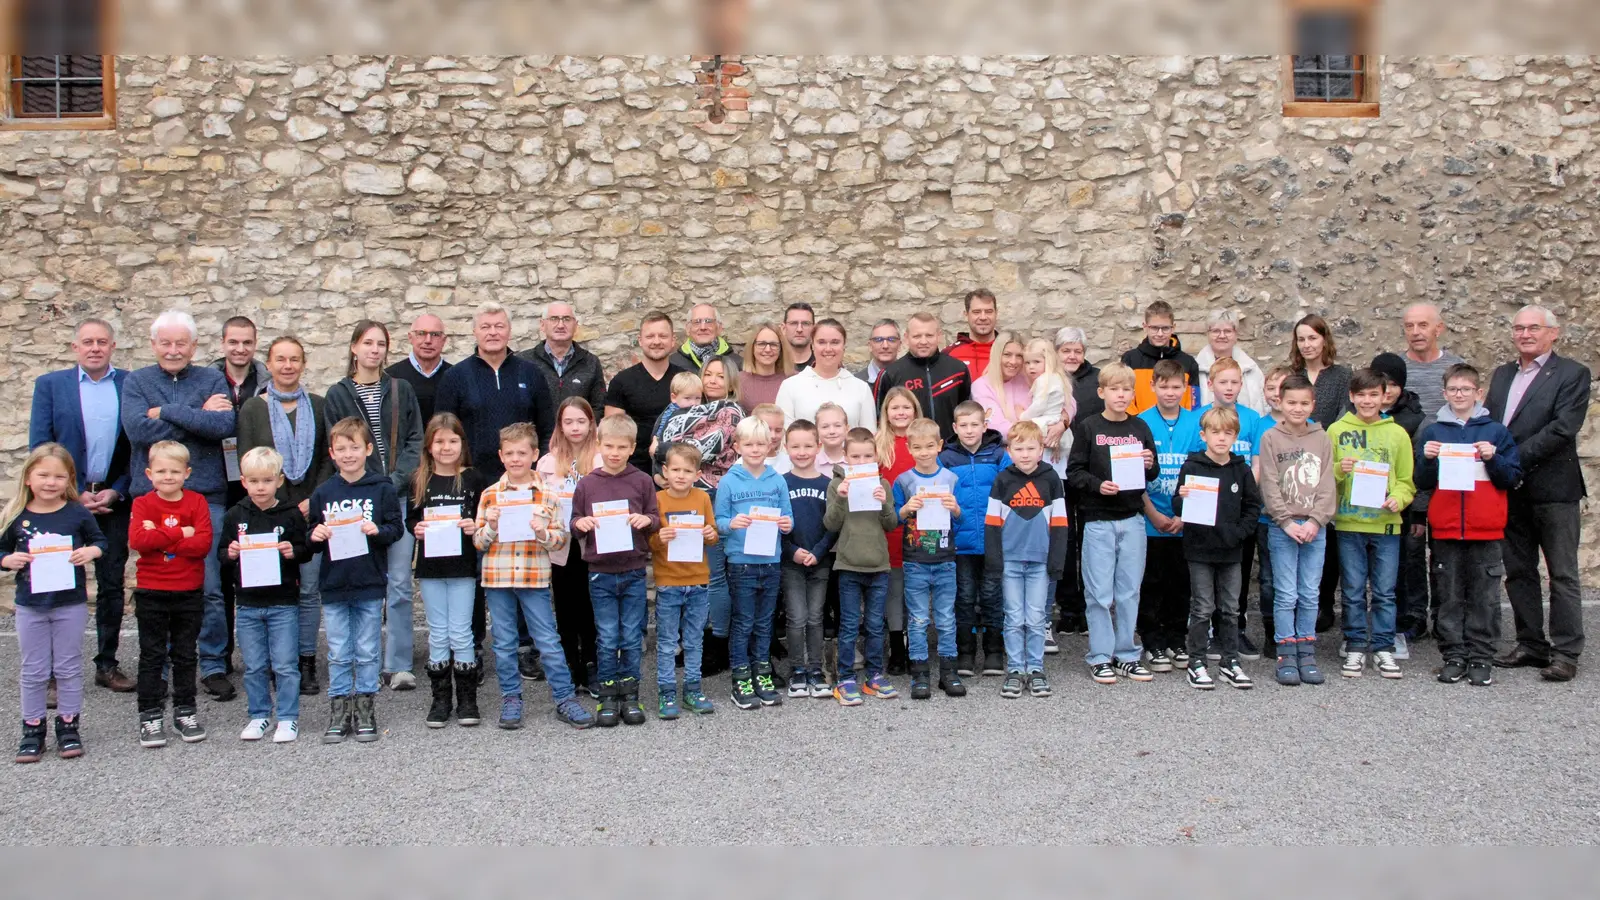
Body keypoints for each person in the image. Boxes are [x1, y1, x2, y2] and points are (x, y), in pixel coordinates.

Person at [121, 309, 237, 701]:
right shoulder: (137, 381)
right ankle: (164, 664)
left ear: (194, 346)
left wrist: (167, 412)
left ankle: (213, 664)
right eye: (166, 343)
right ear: (154, 345)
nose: (173, 350)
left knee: (208, 587)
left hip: (205, 495)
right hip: (151, 496)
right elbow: (137, 430)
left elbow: (222, 427)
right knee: (159, 585)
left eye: (181, 343)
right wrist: (196, 416)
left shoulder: (210, 377)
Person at [28, 318, 135, 693]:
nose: (94, 348)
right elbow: (40, 448)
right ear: (75, 347)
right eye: (87, 342)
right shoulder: (50, 386)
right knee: (58, 585)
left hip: (113, 501)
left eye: (102, 342)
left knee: (111, 584)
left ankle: (106, 664)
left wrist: (117, 491)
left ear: (112, 347)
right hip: (61, 501)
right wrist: (72, 493)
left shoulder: (129, 384)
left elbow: (136, 449)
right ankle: (55, 672)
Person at [1487, 305, 1591, 682]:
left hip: (1553, 488)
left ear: (1553, 333)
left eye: (1533, 328)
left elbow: (1562, 429)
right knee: (1518, 570)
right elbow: (1491, 424)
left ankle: (1566, 651)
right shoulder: (1501, 375)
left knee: (1562, 574)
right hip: (1510, 490)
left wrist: (1511, 459)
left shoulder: (1572, 374)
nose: (1525, 334)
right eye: (1519, 328)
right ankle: (1531, 643)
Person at [473, 423, 595, 730]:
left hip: (534, 577)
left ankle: (564, 698)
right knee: (503, 642)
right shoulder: (490, 496)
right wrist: (490, 526)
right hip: (498, 578)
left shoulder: (549, 496)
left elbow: (559, 540)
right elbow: (478, 541)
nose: (516, 459)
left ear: (534, 454)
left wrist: (542, 533)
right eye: (510, 453)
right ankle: (511, 698)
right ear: (501, 456)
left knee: (548, 640)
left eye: (522, 453)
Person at [324, 320, 424, 692]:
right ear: (354, 348)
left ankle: (396, 664)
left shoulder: (401, 389)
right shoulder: (338, 394)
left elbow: (415, 439)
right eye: (368, 343)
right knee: (361, 581)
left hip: (394, 495)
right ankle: (357, 661)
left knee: (398, 582)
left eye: (381, 344)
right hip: (354, 500)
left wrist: (394, 480)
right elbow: (338, 444)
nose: (375, 350)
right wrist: (366, 484)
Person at [236, 335, 333, 695]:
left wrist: (313, 499)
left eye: (294, 359)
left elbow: (327, 459)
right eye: (280, 359)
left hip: (308, 512)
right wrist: (274, 501)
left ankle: (305, 660)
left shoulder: (320, 406)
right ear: (270, 364)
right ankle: (277, 663)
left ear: (303, 364)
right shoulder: (252, 409)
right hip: (267, 514)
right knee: (273, 590)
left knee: (308, 590)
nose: (288, 366)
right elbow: (248, 458)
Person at [1415, 363, 1522, 688]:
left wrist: (1493, 458)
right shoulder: (1434, 431)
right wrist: (1428, 459)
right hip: (1446, 527)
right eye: (1453, 390)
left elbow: (1512, 477)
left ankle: (1480, 656)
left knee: (1484, 596)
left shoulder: (1496, 432)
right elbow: (1422, 481)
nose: (1459, 395)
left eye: (1466, 390)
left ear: (1478, 393)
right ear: (1444, 393)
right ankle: (1454, 656)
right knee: (1448, 596)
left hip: (1485, 528)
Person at [2, 444, 105, 763]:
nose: (50, 482)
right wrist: (8, 560)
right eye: (43, 475)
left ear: (70, 480)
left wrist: (91, 552)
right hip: (30, 604)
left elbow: (100, 542)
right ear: (29, 477)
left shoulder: (77, 513)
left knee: (68, 667)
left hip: (69, 604)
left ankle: (68, 727)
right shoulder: (17, 515)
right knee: (33, 670)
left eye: (59, 476)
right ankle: (32, 730)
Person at [306, 418, 405, 743]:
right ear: (332, 453)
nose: (348, 454)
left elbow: (396, 529)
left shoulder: (381, 488)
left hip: (369, 582)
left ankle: (365, 707)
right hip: (334, 584)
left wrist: (377, 531)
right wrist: (315, 535)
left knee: (366, 649)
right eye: (341, 449)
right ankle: (339, 709)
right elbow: (311, 537)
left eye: (354, 448)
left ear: (367, 449)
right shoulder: (324, 493)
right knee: (337, 650)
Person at [1068, 363, 1160, 685]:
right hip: (1098, 521)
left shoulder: (1140, 428)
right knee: (1098, 592)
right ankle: (1099, 656)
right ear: (1101, 392)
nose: (1121, 395)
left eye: (1126, 390)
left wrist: (1149, 463)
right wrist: (1098, 485)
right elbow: (1075, 471)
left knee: (1129, 591)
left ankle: (1127, 654)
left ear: (1133, 394)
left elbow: (1151, 473)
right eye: (1115, 389)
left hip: (1132, 519)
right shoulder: (1089, 427)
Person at [570, 414, 661, 728]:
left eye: (622, 447)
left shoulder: (641, 481)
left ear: (632, 447)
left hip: (634, 570)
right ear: (599, 444)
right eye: (609, 446)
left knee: (633, 636)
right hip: (600, 573)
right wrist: (580, 525)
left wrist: (646, 521)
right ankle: (608, 694)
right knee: (608, 636)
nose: (614, 452)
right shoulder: (587, 484)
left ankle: (630, 693)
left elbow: (655, 517)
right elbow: (575, 521)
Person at [655, 356, 744, 673]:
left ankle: (719, 643)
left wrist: (667, 449)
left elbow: (700, 450)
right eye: (708, 373)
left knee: (714, 576)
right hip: (683, 500)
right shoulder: (691, 409)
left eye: (721, 375)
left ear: (731, 381)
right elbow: (663, 442)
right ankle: (695, 640)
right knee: (690, 573)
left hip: (715, 500)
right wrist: (666, 449)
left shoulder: (731, 412)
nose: (714, 379)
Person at [1329, 369, 1416, 680]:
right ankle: (1354, 645)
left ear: (1384, 397)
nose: (1367, 401)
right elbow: (1325, 477)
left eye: (1373, 395)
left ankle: (1383, 647)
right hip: (1349, 523)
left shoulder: (1397, 435)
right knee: (1352, 590)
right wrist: (1340, 468)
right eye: (1361, 395)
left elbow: (1407, 481)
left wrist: (1399, 498)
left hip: (1386, 525)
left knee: (1384, 591)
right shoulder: (1336, 431)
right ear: (1352, 397)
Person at [128, 440, 215, 746]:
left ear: (187, 473)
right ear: (149, 473)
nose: (168, 476)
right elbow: (139, 541)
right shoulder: (142, 504)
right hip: (152, 591)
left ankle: (185, 711)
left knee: (185, 655)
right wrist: (180, 533)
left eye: (175, 471)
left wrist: (160, 537)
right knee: (152, 656)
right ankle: (150, 716)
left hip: (188, 590)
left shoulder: (197, 503)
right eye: (161, 471)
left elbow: (202, 545)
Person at [222, 446, 311, 743]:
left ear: (279, 480)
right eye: (254, 481)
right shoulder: (235, 514)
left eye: (267, 480)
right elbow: (222, 553)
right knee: (255, 665)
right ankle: (259, 715)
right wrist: (231, 552)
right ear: (244, 482)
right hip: (247, 603)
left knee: (285, 664)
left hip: (283, 602)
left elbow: (306, 551)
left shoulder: (290, 514)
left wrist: (292, 551)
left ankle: (287, 718)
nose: (260, 487)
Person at [1172, 407, 1263, 690]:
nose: (1221, 439)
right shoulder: (1192, 467)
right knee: (1202, 607)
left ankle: (1229, 661)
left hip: (1231, 550)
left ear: (1235, 436)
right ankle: (1197, 661)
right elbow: (1179, 506)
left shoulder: (1241, 469)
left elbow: (1252, 507)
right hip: (1199, 549)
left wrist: (1238, 534)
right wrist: (1182, 498)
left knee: (1231, 608)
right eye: (1215, 432)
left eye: (1228, 433)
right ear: (1204, 435)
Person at [407, 413, 486, 727]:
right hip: (431, 567)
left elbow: (486, 516)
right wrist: (418, 528)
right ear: (429, 445)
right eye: (439, 441)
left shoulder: (473, 479)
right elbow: (411, 519)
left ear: (462, 443)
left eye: (452, 441)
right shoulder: (418, 479)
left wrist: (475, 525)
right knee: (438, 632)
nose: (446, 447)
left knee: (462, 632)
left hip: (463, 566)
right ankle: (441, 700)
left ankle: (467, 701)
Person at [1258, 373, 1336, 686]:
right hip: (1283, 528)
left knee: (1309, 592)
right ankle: (1286, 652)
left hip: (1315, 528)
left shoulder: (1322, 438)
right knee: (1286, 593)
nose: (1298, 408)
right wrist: (1286, 521)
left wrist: (1317, 520)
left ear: (1313, 404)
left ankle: (1307, 650)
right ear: (1280, 402)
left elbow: (1328, 484)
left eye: (1304, 403)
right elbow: (1269, 483)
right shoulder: (1270, 438)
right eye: (1292, 402)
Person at [714, 416, 795, 710]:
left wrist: (786, 524)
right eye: (748, 444)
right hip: (741, 563)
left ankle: (762, 673)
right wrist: (732, 522)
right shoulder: (729, 481)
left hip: (771, 560)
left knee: (764, 623)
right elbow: (718, 521)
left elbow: (788, 519)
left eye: (761, 443)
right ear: (737, 446)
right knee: (744, 622)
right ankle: (741, 677)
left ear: (770, 445)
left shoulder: (777, 480)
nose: (755, 449)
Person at [988, 420, 1070, 699]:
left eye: (1031, 448)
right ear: (1009, 451)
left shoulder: (1051, 480)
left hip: (1040, 562)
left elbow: (1060, 524)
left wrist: (1056, 561)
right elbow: (992, 524)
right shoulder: (1002, 481)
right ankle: (1015, 670)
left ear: (1041, 450)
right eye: (1018, 448)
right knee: (1012, 618)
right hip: (1010, 560)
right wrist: (994, 561)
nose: (1025, 454)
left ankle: (1035, 669)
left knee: (1036, 618)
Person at [822, 427, 899, 705]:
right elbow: (830, 524)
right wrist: (842, 496)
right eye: (855, 455)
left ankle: (875, 676)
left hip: (878, 564)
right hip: (849, 565)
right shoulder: (836, 485)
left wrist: (885, 505)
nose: (862, 460)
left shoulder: (883, 485)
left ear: (876, 456)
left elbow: (891, 524)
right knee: (850, 625)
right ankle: (845, 678)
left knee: (876, 624)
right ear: (845, 457)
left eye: (868, 455)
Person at [1136, 359, 1202, 674]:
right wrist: (1153, 513)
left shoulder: (1197, 424)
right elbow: (1133, 479)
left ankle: (1178, 638)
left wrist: (1185, 517)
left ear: (1186, 388)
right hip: (1151, 519)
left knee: (1181, 584)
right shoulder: (1140, 424)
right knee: (1152, 583)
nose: (1170, 392)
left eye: (1177, 387)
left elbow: (1203, 476)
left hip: (1186, 521)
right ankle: (1152, 639)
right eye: (1164, 386)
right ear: (1153, 387)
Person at [893, 417, 966, 700]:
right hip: (915, 560)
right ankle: (920, 673)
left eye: (929, 446)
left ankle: (949, 671)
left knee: (946, 618)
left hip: (946, 559)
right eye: (917, 447)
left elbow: (961, 522)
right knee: (919, 619)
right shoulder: (904, 480)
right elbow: (894, 520)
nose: (923, 452)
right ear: (909, 449)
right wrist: (906, 509)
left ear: (939, 446)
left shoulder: (951, 479)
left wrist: (955, 509)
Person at [1199, 357, 1266, 658]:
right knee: (1205, 576)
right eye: (1222, 382)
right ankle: (1207, 631)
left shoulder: (1252, 420)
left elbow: (1257, 463)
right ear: (1210, 384)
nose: (1229, 388)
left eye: (1234, 382)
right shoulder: (1197, 418)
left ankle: (1235, 629)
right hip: (1206, 511)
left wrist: (1242, 500)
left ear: (1242, 384)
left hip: (1238, 513)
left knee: (1236, 574)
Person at [536, 398, 603, 700]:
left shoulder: (602, 459)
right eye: (568, 422)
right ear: (560, 426)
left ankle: (591, 664)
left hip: (594, 543)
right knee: (564, 605)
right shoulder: (548, 463)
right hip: (561, 544)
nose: (575, 427)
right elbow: (539, 505)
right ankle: (569, 666)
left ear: (591, 424)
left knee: (590, 606)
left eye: (581, 421)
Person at [436, 301, 557, 467]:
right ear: (474, 332)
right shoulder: (455, 377)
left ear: (509, 331)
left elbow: (548, 428)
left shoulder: (531, 373)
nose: (493, 333)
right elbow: (444, 432)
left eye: (499, 326)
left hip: (524, 477)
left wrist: (541, 467)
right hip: (472, 478)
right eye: (485, 327)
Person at [1289, 313, 1352, 631]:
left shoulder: (1341, 376)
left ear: (1324, 339)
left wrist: (1319, 438)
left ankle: (1323, 602)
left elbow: (1344, 415)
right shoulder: (1294, 375)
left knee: (1325, 533)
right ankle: (1297, 602)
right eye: (1301, 339)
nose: (1307, 344)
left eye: (1313, 337)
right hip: (1292, 461)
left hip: (1327, 459)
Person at [940, 401, 1010, 679]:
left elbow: (1010, 493)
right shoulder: (946, 458)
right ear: (955, 428)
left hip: (994, 540)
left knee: (993, 597)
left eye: (975, 425)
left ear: (985, 425)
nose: (969, 431)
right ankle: (965, 653)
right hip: (961, 544)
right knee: (964, 597)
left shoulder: (999, 455)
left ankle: (994, 652)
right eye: (963, 426)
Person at [649, 442, 719, 717]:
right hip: (668, 581)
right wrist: (658, 538)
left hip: (699, 580)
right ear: (665, 471)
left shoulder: (702, 499)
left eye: (687, 470)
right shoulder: (658, 500)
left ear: (697, 473)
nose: (680, 475)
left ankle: (692, 689)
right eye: (675, 469)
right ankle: (666, 693)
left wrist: (709, 534)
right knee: (667, 642)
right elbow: (649, 541)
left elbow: (713, 534)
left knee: (694, 640)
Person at [1369, 351, 1428, 641]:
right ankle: (1381, 617)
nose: (1388, 391)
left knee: (1409, 562)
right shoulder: (1359, 415)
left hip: (1404, 506)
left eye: (1393, 384)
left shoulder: (1415, 420)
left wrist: (1418, 512)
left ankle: (1413, 616)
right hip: (1368, 506)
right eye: (1382, 384)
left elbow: (1418, 472)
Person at [779, 420, 836, 698]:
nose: (802, 452)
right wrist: (792, 552)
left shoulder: (829, 485)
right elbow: (775, 527)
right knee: (797, 617)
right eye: (795, 446)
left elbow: (834, 526)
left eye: (808, 446)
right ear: (786, 447)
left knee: (815, 618)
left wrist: (819, 551)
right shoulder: (780, 484)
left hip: (820, 561)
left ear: (819, 447)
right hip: (791, 562)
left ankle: (816, 668)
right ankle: (797, 669)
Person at [1053, 326, 1099, 636]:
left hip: (1091, 470)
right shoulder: (1049, 379)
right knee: (1065, 538)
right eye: (1066, 350)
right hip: (1057, 469)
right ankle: (1068, 606)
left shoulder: (1097, 380)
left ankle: (1091, 606)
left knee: (1090, 537)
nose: (1072, 355)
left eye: (1077, 350)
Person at [875, 387, 922, 676]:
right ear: (885, 413)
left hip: (921, 526)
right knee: (894, 589)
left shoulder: (923, 441)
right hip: (890, 526)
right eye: (895, 408)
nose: (901, 413)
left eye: (906, 407)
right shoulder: (879, 443)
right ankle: (896, 646)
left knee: (915, 588)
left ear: (915, 410)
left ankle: (916, 643)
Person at [605, 312, 687, 473]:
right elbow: (612, 432)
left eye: (663, 336)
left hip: (677, 471)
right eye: (650, 336)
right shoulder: (621, 382)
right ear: (640, 341)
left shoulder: (685, 380)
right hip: (631, 471)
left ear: (673, 341)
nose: (656, 341)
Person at [875, 311, 972, 441]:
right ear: (906, 337)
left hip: (951, 452)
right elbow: (879, 420)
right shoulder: (890, 374)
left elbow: (966, 413)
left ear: (939, 336)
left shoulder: (958, 370)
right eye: (917, 336)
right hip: (909, 451)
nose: (923, 341)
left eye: (929, 335)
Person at [776, 319, 877, 428]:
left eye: (835, 342)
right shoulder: (790, 386)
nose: (828, 349)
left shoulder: (861, 388)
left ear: (844, 345)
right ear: (812, 345)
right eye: (821, 342)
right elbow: (784, 436)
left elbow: (868, 437)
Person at [517, 301, 608, 414]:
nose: (560, 325)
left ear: (575, 325)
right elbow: (517, 407)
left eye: (566, 319)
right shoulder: (524, 362)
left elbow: (599, 407)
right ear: (542, 325)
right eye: (554, 319)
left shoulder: (591, 362)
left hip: (578, 431)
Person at [1123, 300, 1199, 416]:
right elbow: (1125, 399)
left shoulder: (1188, 363)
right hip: (1140, 428)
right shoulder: (1130, 359)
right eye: (1154, 328)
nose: (1159, 334)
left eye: (1165, 328)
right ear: (1145, 327)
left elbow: (1193, 404)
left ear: (1173, 328)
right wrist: (1138, 426)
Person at [1194, 311, 1267, 415]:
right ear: (1208, 334)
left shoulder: (1251, 369)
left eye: (1228, 331)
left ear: (1236, 334)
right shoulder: (1196, 369)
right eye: (1216, 331)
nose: (1222, 336)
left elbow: (1264, 405)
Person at [1401, 303, 1464, 421]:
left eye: (1423, 325)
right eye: (1409, 326)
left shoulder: (1458, 368)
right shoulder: (1394, 368)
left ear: (1438, 329)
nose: (1415, 332)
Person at [388, 313, 453, 423]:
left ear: (444, 340)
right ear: (410, 338)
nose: (428, 340)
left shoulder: (456, 377)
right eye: (421, 333)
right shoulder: (391, 378)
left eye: (435, 334)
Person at [971, 332, 1029, 438]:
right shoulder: (981, 386)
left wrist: (1062, 423)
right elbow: (997, 429)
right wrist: (1040, 433)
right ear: (997, 355)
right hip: (1005, 453)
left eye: (1019, 356)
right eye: (1007, 355)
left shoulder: (1028, 380)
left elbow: (1063, 399)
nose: (1013, 361)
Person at [669, 303, 743, 374]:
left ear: (719, 328)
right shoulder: (672, 364)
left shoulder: (737, 364)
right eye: (697, 322)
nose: (703, 327)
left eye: (708, 321)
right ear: (688, 329)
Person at [737, 321, 793, 412]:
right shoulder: (738, 381)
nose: (768, 349)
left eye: (773, 345)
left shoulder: (793, 380)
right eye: (761, 344)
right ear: (752, 347)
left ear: (781, 349)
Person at [945, 288, 1000, 378]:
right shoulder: (949, 355)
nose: (983, 317)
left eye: (988, 312)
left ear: (996, 313)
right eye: (976, 312)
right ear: (966, 314)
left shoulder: (1010, 352)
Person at [649, 372, 702, 461]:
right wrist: (658, 443)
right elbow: (661, 431)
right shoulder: (672, 413)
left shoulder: (695, 410)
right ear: (674, 397)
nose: (693, 403)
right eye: (687, 398)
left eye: (697, 398)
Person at [856, 319, 901, 391]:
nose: (885, 346)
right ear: (870, 346)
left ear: (899, 345)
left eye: (891, 339)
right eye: (878, 340)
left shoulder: (911, 379)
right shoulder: (856, 382)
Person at [783, 302, 816, 370]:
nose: (799, 329)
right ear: (783, 328)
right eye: (793, 323)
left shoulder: (823, 365)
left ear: (814, 329)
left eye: (806, 323)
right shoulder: (773, 365)